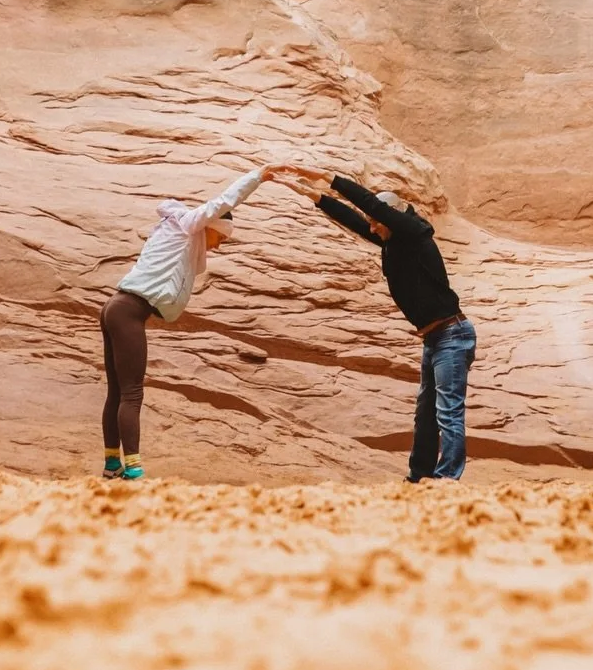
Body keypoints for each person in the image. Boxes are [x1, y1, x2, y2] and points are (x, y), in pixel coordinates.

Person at [288, 169, 475, 482]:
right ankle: (419, 479)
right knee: (425, 414)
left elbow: (370, 206)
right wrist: (317, 197)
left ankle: (447, 480)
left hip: (452, 335)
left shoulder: (414, 233)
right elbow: (357, 221)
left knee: (448, 412)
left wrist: (327, 178)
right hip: (434, 339)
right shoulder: (396, 242)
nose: (372, 227)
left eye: (377, 221)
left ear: (390, 217)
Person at [100, 164, 282, 481]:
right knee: (132, 394)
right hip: (128, 311)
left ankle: (112, 465)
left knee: (117, 392)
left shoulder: (175, 233)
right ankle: (134, 471)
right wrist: (258, 177)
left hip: (116, 308)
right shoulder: (189, 226)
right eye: (220, 237)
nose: (219, 244)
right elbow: (224, 201)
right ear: (210, 225)